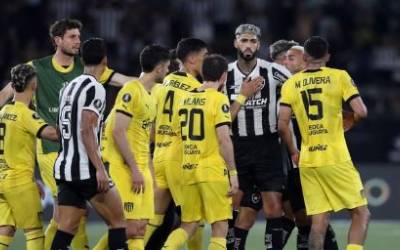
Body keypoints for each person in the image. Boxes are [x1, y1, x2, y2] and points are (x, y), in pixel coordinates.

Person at [0, 18, 134, 250]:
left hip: (67, 155)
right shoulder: (35, 68)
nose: (77, 41)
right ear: (57, 41)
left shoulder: (84, 70)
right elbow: (6, 93)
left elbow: (128, 81)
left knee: (66, 220)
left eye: (79, 37)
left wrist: (158, 82)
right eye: (72, 37)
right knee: (102, 220)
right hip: (52, 150)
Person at [278, 36, 370, 250]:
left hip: (308, 159)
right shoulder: (339, 76)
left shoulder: (291, 83)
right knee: (361, 213)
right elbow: (362, 111)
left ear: (306, 57)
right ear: (327, 56)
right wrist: (351, 121)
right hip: (335, 157)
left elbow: (282, 125)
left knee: (318, 223)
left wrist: (294, 151)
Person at [51, 38, 127, 250]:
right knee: (118, 221)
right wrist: (100, 169)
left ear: (82, 59)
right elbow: (86, 128)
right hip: (86, 170)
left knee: (66, 228)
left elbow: (61, 127)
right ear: (105, 60)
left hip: (64, 168)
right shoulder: (96, 88)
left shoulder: (68, 87)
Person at [225, 24, 291, 250]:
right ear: (236, 43)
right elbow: (221, 118)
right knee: (233, 207)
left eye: (253, 41)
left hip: (268, 146)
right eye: (244, 40)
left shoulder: (272, 70)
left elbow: (296, 89)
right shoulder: (225, 74)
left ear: (259, 45)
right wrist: (243, 96)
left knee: (274, 207)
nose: (248, 45)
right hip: (237, 147)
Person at [163, 54, 239, 250]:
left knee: (188, 224)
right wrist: (233, 173)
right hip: (211, 169)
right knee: (220, 226)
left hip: (188, 168)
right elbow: (223, 139)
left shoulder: (186, 97)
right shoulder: (218, 99)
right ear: (224, 76)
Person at [100, 44, 170, 250]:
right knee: (128, 227)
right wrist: (134, 168)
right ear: (158, 69)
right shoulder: (131, 90)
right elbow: (118, 131)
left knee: (140, 227)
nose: (167, 72)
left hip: (141, 167)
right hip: (126, 168)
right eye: (166, 67)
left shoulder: (151, 93)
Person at [145, 38, 209, 250]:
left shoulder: (163, 83)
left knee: (155, 216)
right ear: (191, 59)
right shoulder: (197, 89)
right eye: (204, 57)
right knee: (193, 218)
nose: (206, 61)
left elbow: (151, 128)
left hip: (159, 154)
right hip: (179, 156)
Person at [282, 44, 338, 250]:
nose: (286, 62)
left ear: (305, 60)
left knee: (314, 219)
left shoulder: (300, 87)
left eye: (291, 58)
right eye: (285, 58)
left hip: (310, 160)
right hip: (293, 163)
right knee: (303, 219)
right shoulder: (287, 86)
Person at [0, 64, 59, 250]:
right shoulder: (25, 114)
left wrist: (34, 179)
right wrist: (74, 127)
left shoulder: (3, 111)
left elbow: (16, 150)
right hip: (19, 182)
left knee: (6, 229)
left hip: (2, 180)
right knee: (34, 232)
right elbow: (51, 134)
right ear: (33, 85)